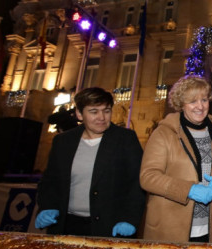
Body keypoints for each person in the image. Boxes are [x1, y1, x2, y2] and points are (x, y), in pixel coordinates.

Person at [35, 87, 146, 237]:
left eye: (106, 111)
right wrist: (47, 207)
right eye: (94, 112)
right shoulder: (63, 141)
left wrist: (130, 219)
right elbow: (50, 181)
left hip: (110, 226)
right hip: (66, 225)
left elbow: (137, 183)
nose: (101, 117)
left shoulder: (125, 139)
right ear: (80, 114)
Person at [139, 75, 212, 243]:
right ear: (181, 104)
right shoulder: (164, 133)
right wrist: (188, 190)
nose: (200, 106)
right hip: (170, 225)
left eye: (204, 100)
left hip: (209, 224)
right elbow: (148, 177)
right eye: (193, 101)